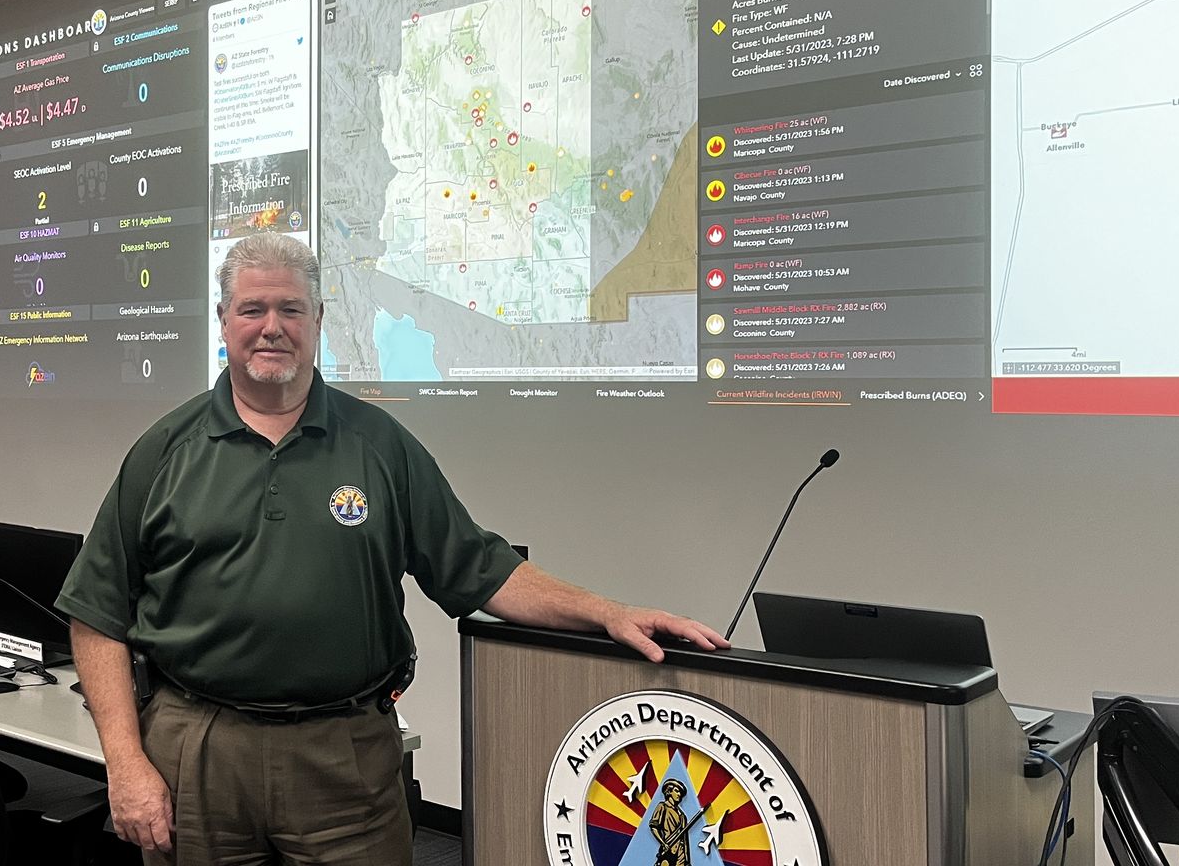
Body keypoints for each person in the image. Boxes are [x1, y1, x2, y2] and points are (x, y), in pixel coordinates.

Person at [55, 232, 728, 866]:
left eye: (290, 308)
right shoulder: (165, 450)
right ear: (224, 320)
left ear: (317, 318)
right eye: (252, 309)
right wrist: (126, 762)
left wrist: (606, 612)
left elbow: (480, 567)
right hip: (196, 750)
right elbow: (97, 614)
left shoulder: (379, 444)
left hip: (344, 756)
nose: (272, 326)